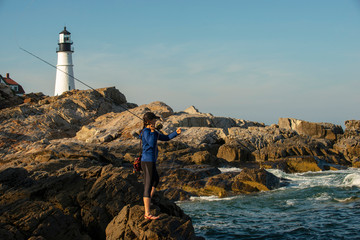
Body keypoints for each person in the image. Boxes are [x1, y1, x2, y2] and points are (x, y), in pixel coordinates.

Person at [140, 112, 181, 220]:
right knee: (148, 185)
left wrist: (175, 133)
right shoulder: (146, 132)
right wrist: (153, 130)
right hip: (147, 161)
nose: (156, 121)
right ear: (149, 121)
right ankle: (147, 213)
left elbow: (166, 138)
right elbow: (152, 143)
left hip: (151, 161)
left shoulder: (153, 132)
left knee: (155, 181)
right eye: (154, 119)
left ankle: (149, 201)